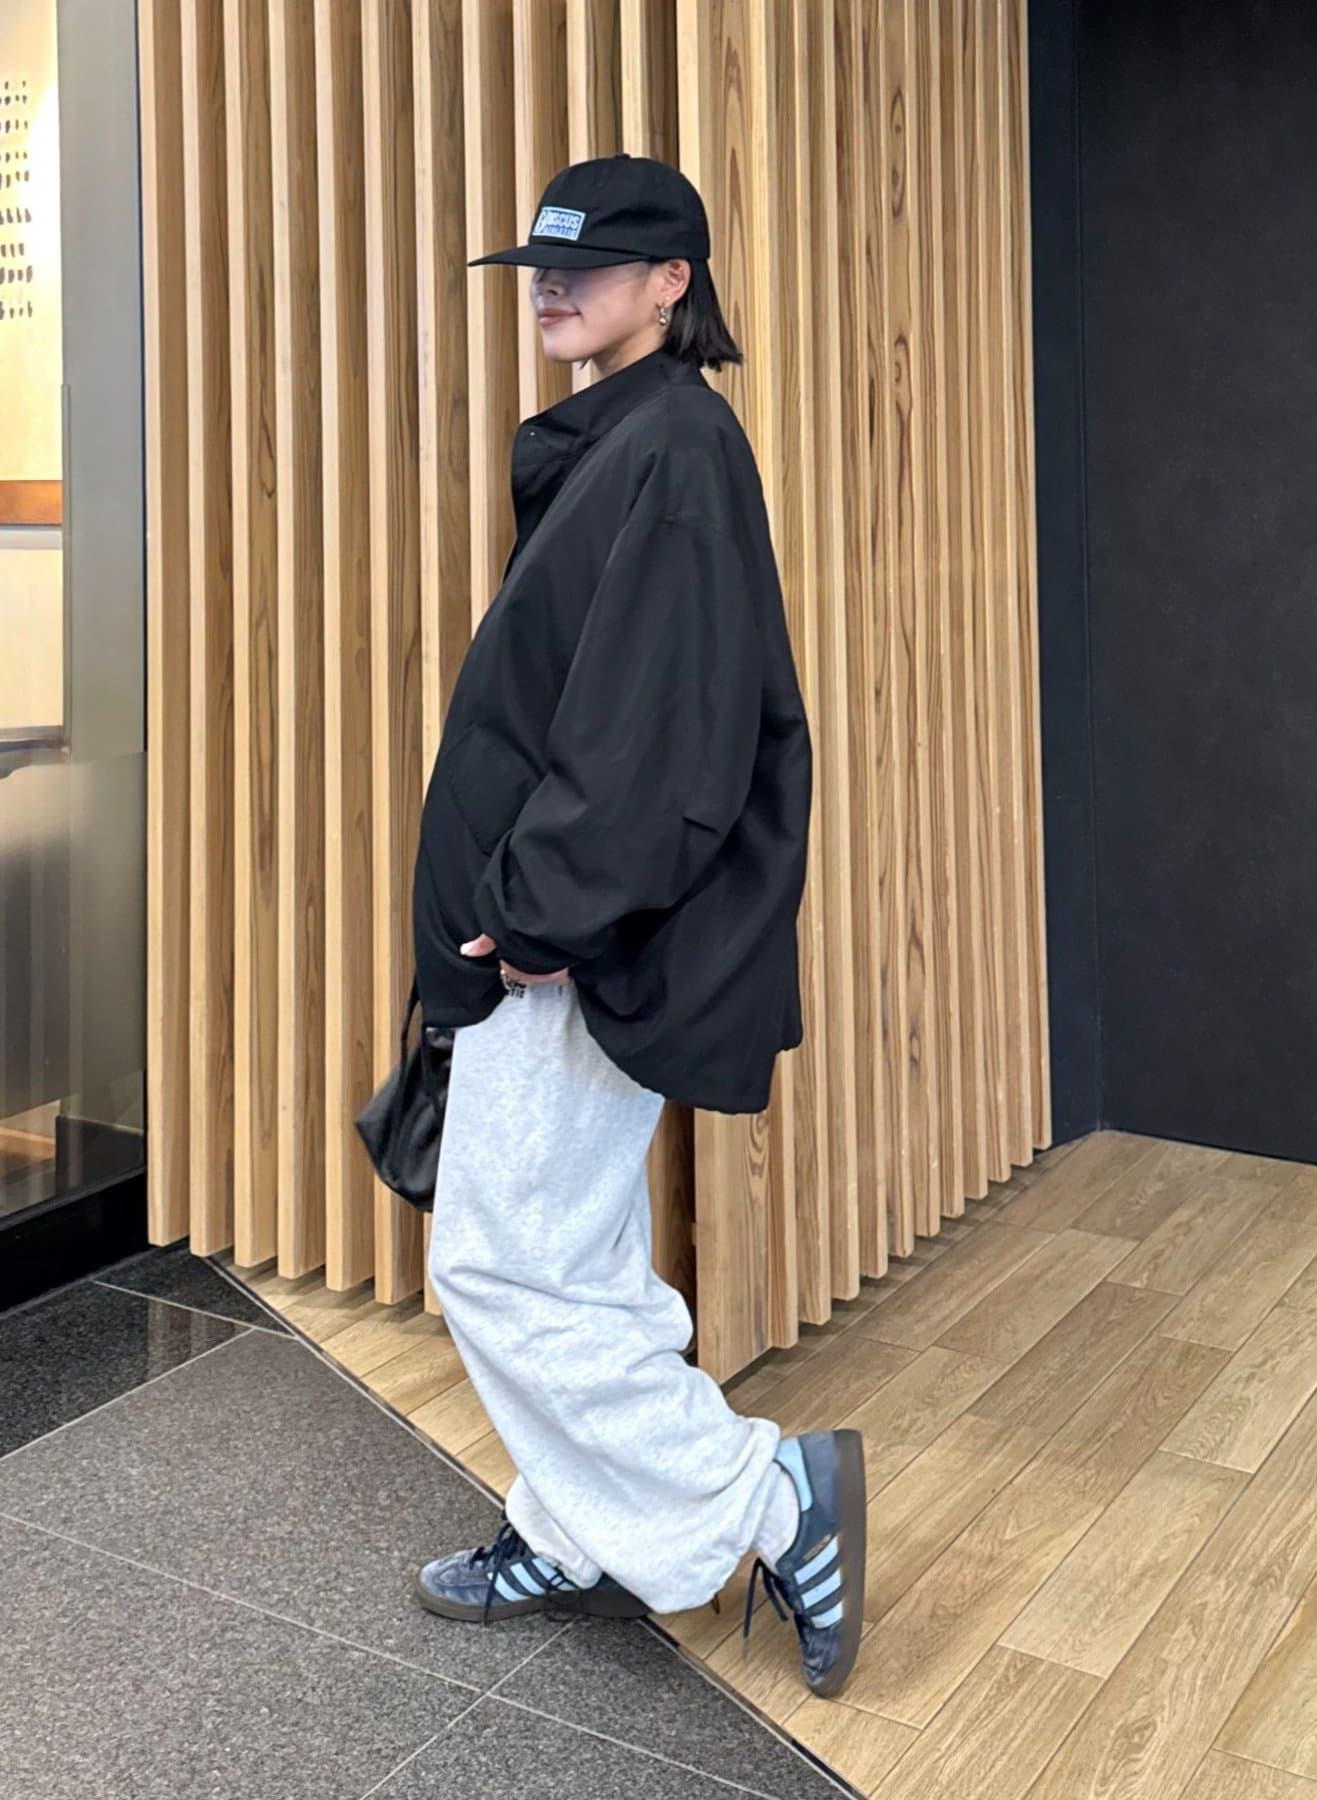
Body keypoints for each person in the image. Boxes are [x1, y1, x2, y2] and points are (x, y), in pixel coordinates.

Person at [408, 152, 867, 1699]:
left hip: (570, 944)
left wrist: (543, 917)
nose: (552, 289)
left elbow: (656, 731)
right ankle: (578, 1530)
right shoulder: (631, 435)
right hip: (562, 930)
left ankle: (766, 1496)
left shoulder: (670, 445)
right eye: (538, 267)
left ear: (673, 282)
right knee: (577, 1257)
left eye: (589, 267)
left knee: (499, 1261)